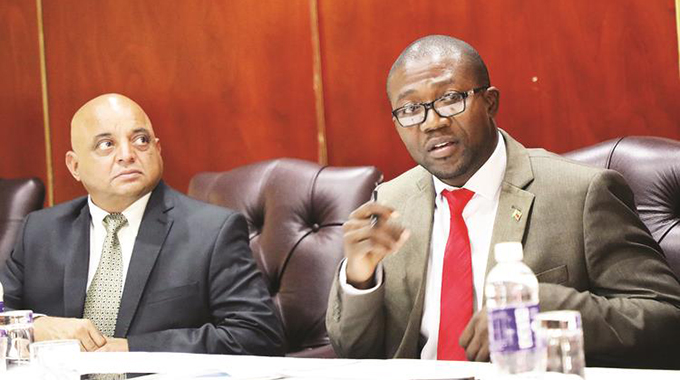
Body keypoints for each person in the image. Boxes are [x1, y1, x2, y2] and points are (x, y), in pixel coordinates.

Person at [326, 35, 680, 368]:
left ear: (490, 102)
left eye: (450, 99)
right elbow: (355, 352)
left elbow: (666, 319)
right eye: (410, 109)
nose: (432, 123)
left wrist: (552, 309)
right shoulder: (391, 202)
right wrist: (360, 279)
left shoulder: (582, 193)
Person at [0, 93, 285, 355]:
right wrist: (35, 326)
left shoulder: (211, 231)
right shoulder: (39, 231)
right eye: (106, 144)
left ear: (157, 150)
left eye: (140, 140)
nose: (127, 155)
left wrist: (131, 350)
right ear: (74, 166)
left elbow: (257, 335)